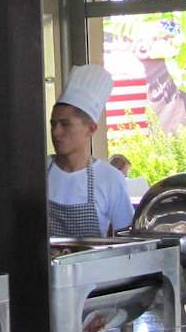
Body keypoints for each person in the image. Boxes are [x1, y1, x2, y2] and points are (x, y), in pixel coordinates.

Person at [48, 65, 135, 238]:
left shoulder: (110, 179)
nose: (56, 132)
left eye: (65, 124)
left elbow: (127, 238)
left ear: (90, 129)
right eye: (53, 124)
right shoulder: (38, 172)